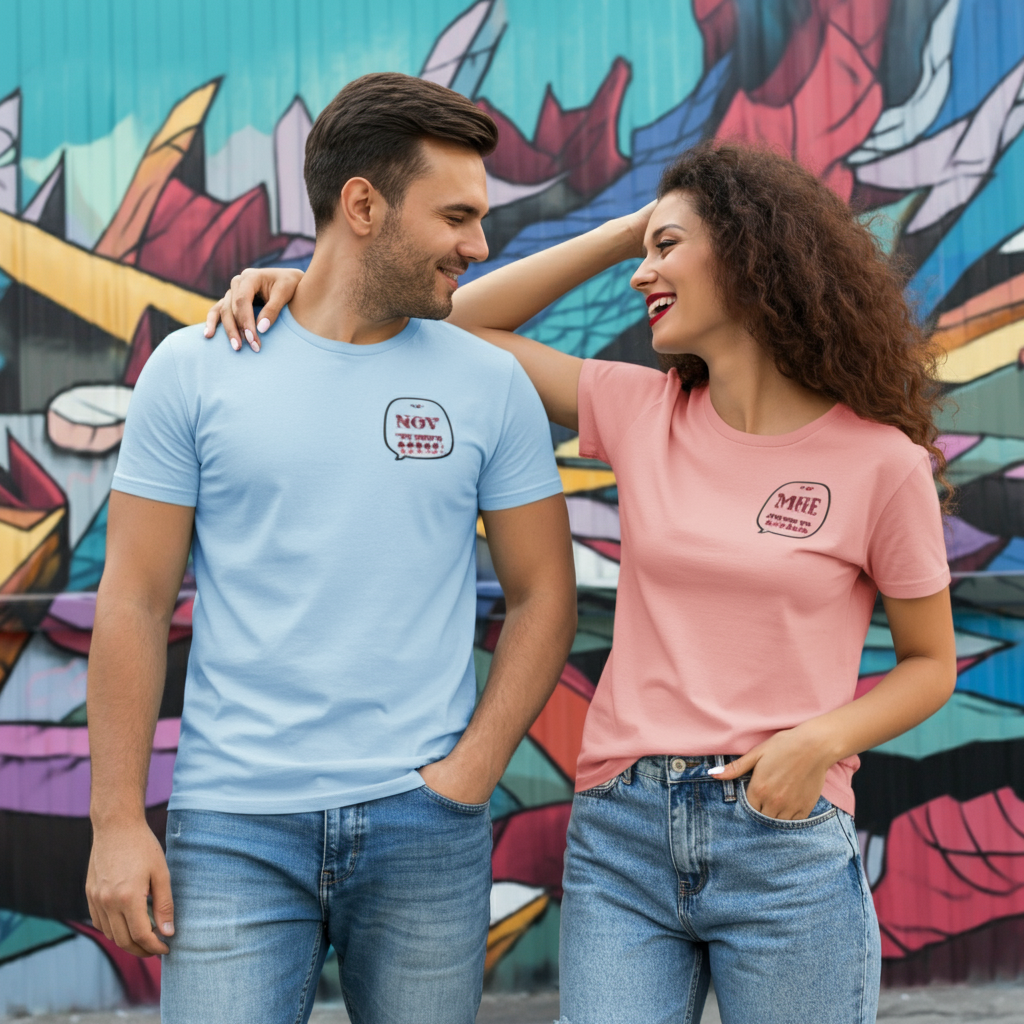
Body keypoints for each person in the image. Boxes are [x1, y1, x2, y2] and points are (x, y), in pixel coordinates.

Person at [212, 143, 957, 1024]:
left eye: (666, 249)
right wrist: (621, 232)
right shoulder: (645, 412)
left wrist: (818, 743)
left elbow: (928, 663)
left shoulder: (881, 464)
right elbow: (451, 329)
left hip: (783, 832)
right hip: (623, 832)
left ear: (752, 257)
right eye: (645, 251)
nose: (645, 273)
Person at [85, 72, 577, 1024]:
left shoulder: (491, 384)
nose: (479, 245)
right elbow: (133, 600)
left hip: (425, 826)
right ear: (363, 205)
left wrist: (469, 774)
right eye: (458, 216)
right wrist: (115, 821)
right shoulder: (194, 372)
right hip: (232, 830)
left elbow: (544, 594)